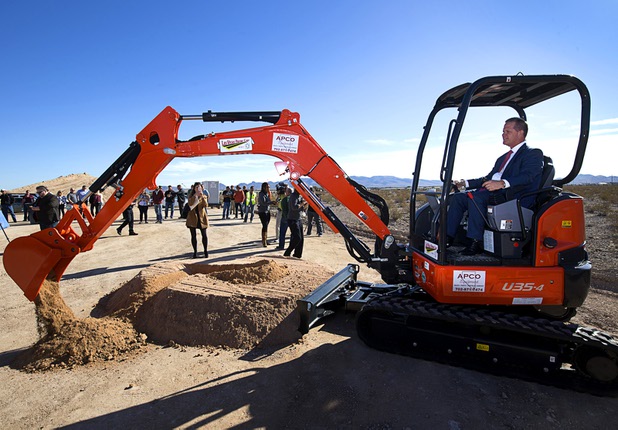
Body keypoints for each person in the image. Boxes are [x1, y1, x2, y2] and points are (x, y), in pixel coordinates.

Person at [446, 117, 543, 255]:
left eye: (507, 131)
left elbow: (528, 176)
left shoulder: (533, 153)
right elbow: (488, 178)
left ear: (520, 133)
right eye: (503, 131)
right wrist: (465, 183)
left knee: (476, 197)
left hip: (514, 197)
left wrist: (502, 183)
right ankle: (446, 238)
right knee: (459, 197)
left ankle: (475, 241)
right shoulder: (503, 158)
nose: (503, 134)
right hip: (495, 194)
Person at [185, 182, 209, 258]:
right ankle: (195, 252)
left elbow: (206, 205)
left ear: (202, 188)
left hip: (202, 217)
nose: (198, 189)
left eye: (199, 187)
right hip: (192, 217)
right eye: (196, 187)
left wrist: (201, 196)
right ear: (194, 188)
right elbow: (190, 204)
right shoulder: (191, 196)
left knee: (204, 235)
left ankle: (205, 251)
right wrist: (195, 196)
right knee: (193, 235)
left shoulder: (204, 196)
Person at [284, 188, 308, 258]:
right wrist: (302, 203)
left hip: (298, 219)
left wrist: (305, 205)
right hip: (292, 219)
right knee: (297, 237)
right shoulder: (293, 196)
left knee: (301, 239)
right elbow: (294, 207)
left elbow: (301, 208)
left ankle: (297, 254)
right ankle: (287, 252)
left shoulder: (299, 196)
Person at [256, 182, 274, 247]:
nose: (268, 188)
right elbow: (263, 203)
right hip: (262, 212)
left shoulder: (267, 194)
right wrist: (271, 202)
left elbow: (268, 201)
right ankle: (264, 241)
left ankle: (265, 239)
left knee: (266, 226)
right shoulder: (261, 194)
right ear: (264, 187)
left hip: (267, 211)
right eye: (267, 187)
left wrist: (272, 202)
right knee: (264, 225)